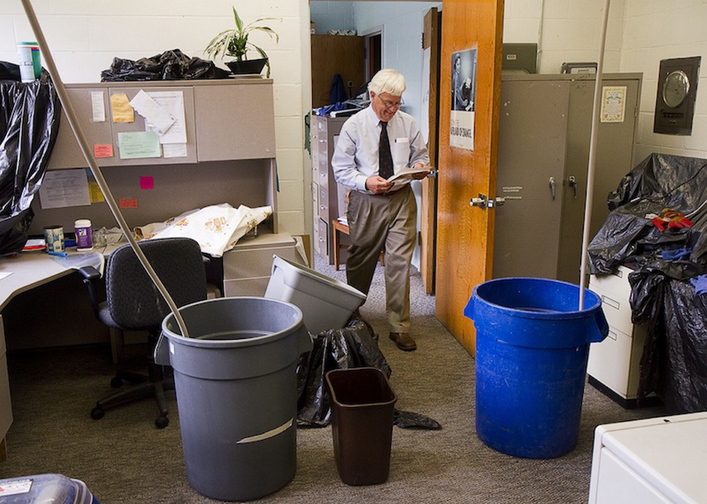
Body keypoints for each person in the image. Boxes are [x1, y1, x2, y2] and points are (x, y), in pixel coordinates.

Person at [331, 68, 430, 352]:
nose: (393, 108)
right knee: (362, 258)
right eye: (387, 102)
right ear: (372, 96)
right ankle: (354, 317)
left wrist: (421, 168)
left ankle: (399, 327)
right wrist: (365, 181)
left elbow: (420, 156)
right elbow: (341, 169)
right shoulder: (354, 125)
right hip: (366, 200)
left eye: (397, 102)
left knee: (399, 262)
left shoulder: (408, 123)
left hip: (401, 198)